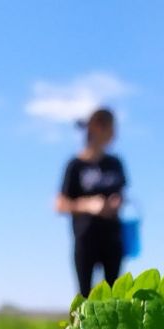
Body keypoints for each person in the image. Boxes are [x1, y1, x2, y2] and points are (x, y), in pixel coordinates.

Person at [56, 108, 127, 298]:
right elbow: (60, 204)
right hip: (86, 239)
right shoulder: (76, 165)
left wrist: (114, 203)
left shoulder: (115, 163)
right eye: (111, 127)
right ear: (97, 128)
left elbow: (121, 194)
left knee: (114, 296)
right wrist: (89, 205)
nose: (114, 133)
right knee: (84, 296)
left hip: (112, 239)